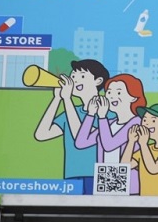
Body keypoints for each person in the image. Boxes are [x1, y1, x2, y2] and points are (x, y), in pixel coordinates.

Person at [34, 59, 109, 194]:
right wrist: (57, 98)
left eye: (82, 76)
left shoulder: (106, 112)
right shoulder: (71, 111)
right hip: (72, 174)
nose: (74, 80)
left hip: (98, 175)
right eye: (73, 76)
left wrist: (67, 99)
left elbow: (80, 138)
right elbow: (42, 134)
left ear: (98, 81)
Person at [76, 73, 146, 195]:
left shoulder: (137, 122)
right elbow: (81, 143)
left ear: (133, 97)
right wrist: (91, 114)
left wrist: (102, 117)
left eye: (118, 92)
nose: (112, 96)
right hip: (104, 179)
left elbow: (109, 145)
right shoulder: (109, 123)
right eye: (109, 92)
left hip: (130, 185)